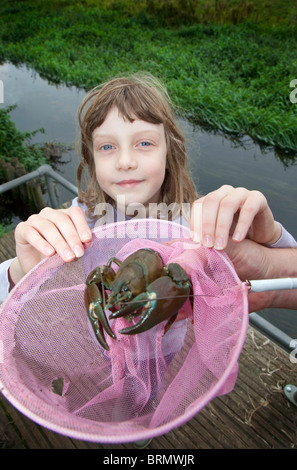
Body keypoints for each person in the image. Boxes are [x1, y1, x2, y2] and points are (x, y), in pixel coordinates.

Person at [0, 72, 296, 312]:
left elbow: (287, 281)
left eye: (144, 143)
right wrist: (20, 270)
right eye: (107, 147)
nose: (126, 162)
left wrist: (270, 237)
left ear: (170, 153)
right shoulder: (80, 225)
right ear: (91, 161)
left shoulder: (197, 225)